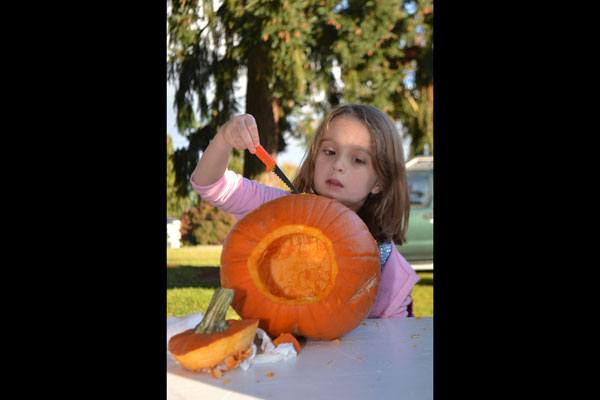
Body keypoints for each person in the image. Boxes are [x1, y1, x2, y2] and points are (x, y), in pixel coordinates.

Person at [191, 104, 419, 318]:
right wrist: (224, 138)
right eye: (329, 151)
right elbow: (210, 184)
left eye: (358, 159)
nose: (338, 164)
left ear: (379, 181)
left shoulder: (389, 268)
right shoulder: (278, 208)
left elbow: (394, 345)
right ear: (314, 158)